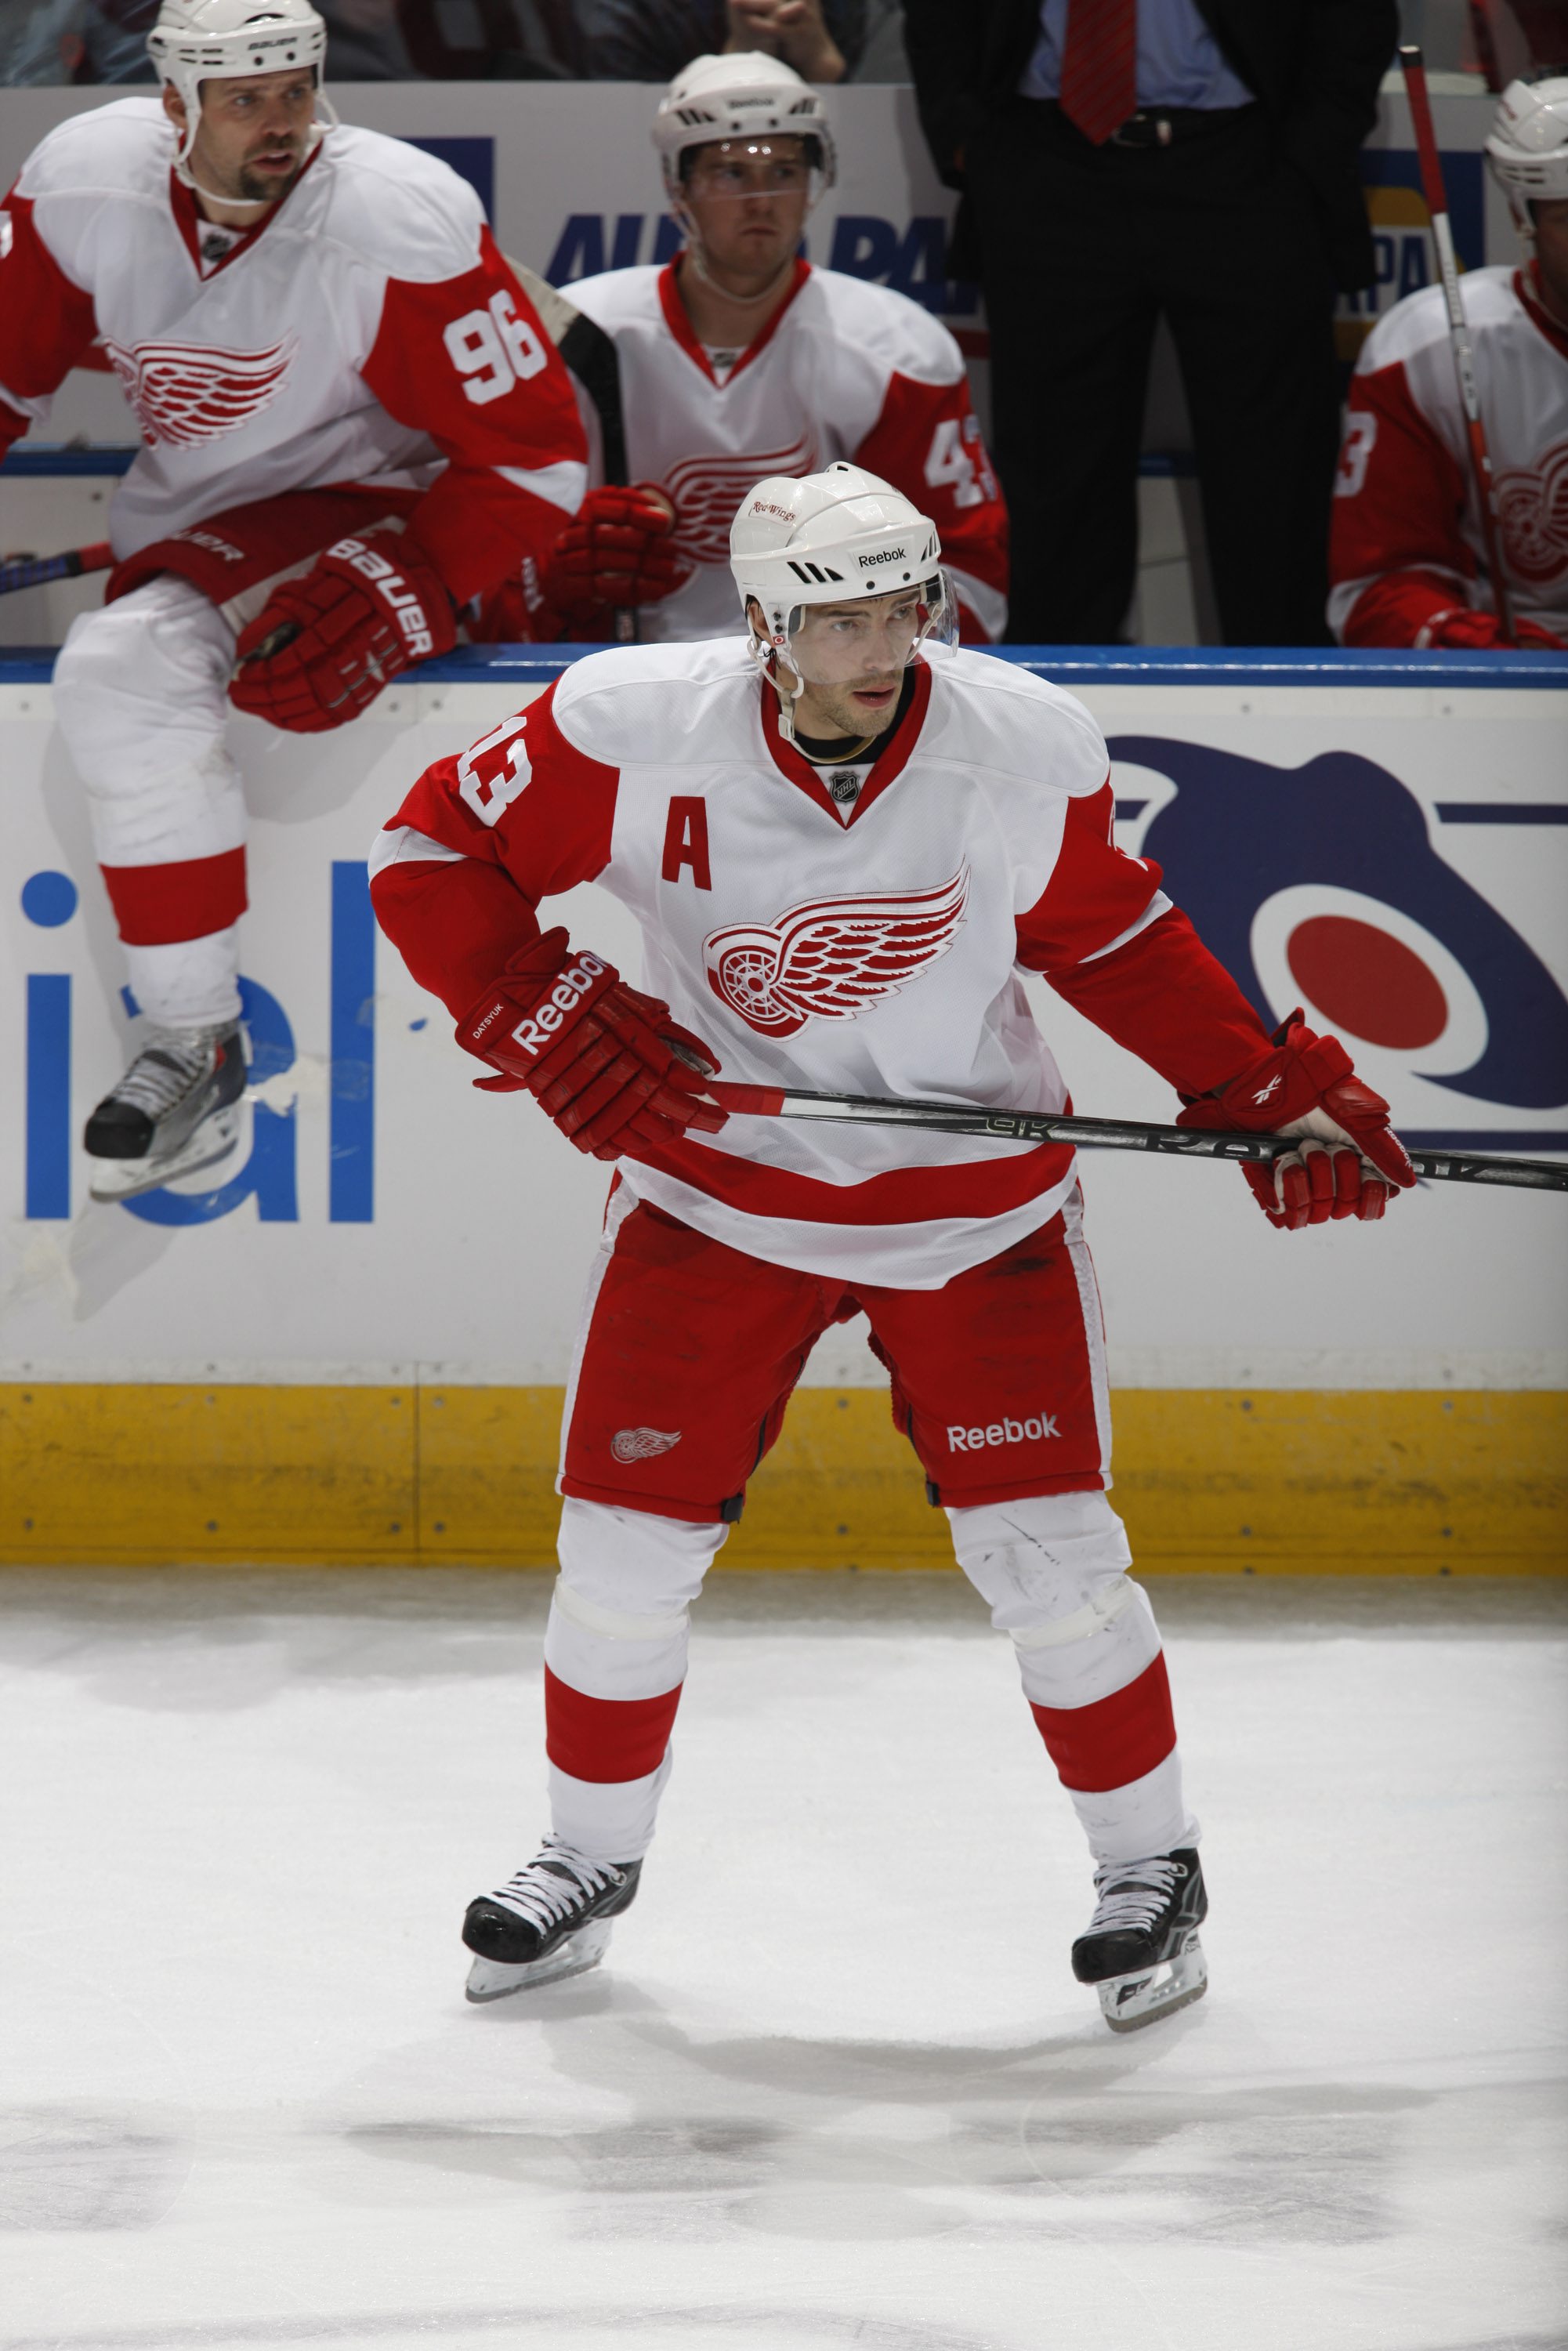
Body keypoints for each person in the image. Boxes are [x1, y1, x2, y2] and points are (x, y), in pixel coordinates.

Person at [368, 460, 1415, 2027]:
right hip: (718, 1196)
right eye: (838, 619)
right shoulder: (627, 728)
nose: (880, 648)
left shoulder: (1018, 741)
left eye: (900, 609)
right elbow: (428, 854)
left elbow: (1109, 934)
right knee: (622, 1554)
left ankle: (1151, 1868)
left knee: (1050, 1560)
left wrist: (1261, 1088)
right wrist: (533, 1001)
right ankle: (585, 1855)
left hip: (972, 1211)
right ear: (763, 628)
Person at [0, 0, 586, 1199]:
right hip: (193, 527)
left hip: (365, 503)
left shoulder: (395, 218)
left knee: (120, 666)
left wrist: (416, 579)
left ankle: (194, 1041)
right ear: (174, 103)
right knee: (129, 652)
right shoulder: (81, 184)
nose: (281, 121)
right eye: (244, 98)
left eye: (296, 88)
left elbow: (537, 462)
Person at [901, 0, 1398, 646]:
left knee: (1274, 478)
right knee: (1055, 482)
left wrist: (1310, 146)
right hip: (1043, 163)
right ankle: (1057, 695)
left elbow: (1356, 22)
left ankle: (1282, 688)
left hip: (1247, 163)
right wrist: (968, 136)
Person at [473, 50, 1008, 647]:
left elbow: (969, 579)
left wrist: (863, 629)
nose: (761, 200)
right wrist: (552, 583)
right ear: (679, 187)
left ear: (815, 182)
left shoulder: (897, 351)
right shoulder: (570, 335)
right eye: (731, 173)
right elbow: (480, 566)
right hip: (621, 674)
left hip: (823, 681)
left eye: (784, 170)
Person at [1329, 77, 1568, 651]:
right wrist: (1493, 650)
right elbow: (1377, 590)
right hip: (1514, 670)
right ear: (1524, 218)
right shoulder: (1427, 349)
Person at [592, 0, 863, 85]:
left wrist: (821, 65)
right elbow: (629, 146)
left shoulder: (850, 9)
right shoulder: (636, 13)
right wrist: (735, 66)